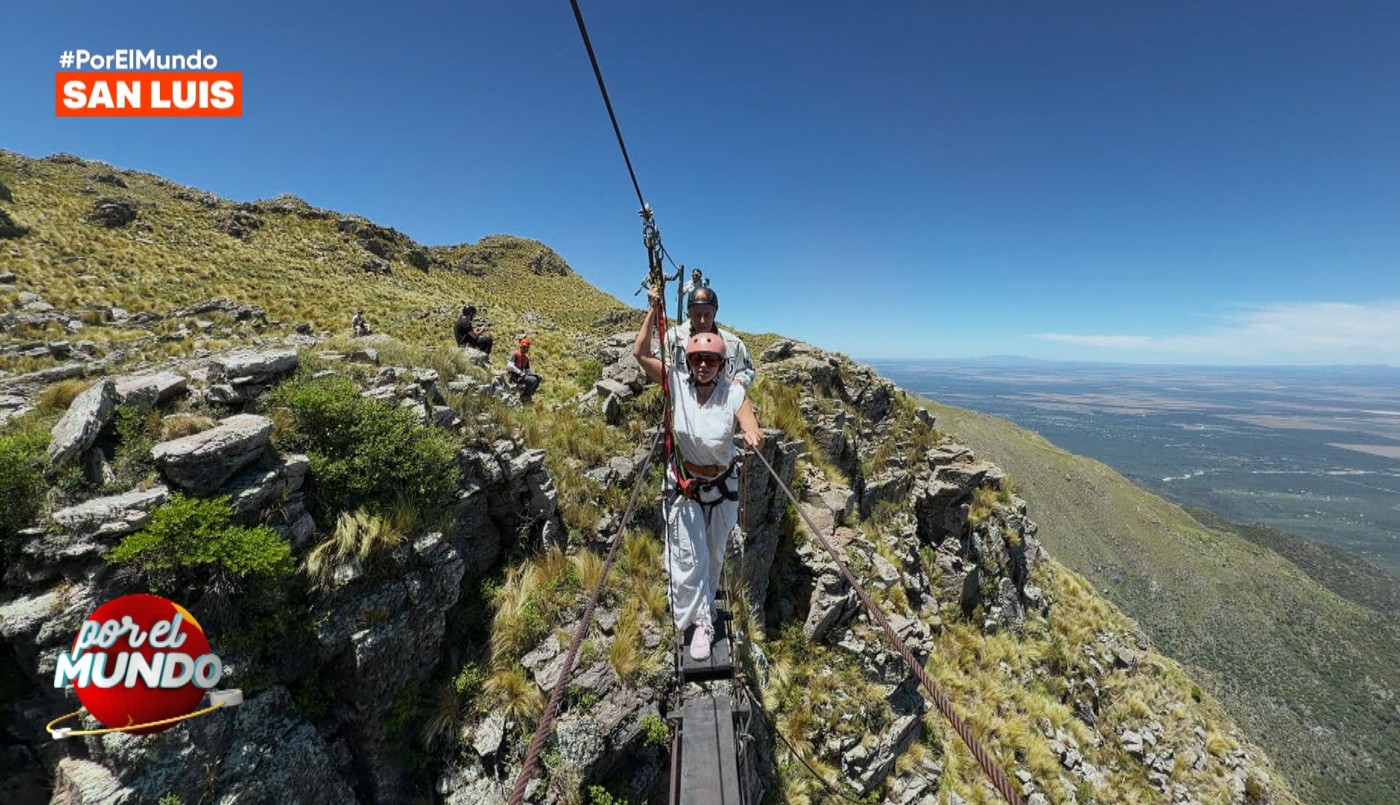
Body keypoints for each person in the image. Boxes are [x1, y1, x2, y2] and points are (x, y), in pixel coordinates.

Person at [635, 289, 763, 661]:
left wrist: (752, 432)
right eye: (697, 359)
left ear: (722, 364)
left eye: (710, 359)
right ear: (689, 362)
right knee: (688, 558)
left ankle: (702, 608)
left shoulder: (732, 393)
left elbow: (747, 416)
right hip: (686, 487)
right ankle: (700, 623)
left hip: (722, 488)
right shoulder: (676, 383)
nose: (703, 365)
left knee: (714, 557)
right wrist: (652, 310)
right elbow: (642, 354)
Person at [663, 285, 755, 389]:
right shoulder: (673, 338)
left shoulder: (734, 344)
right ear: (689, 313)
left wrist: (738, 383)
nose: (702, 320)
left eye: (707, 315)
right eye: (697, 315)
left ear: (714, 313)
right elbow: (657, 363)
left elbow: (749, 371)